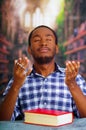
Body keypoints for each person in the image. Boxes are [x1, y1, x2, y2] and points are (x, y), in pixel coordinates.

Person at [0, 25, 86, 121]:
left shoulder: (74, 78)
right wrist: (16, 85)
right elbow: (3, 120)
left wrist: (72, 85)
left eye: (48, 39)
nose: (43, 43)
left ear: (56, 48)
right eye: (37, 40)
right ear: (29, 49)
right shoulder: (18, 79)